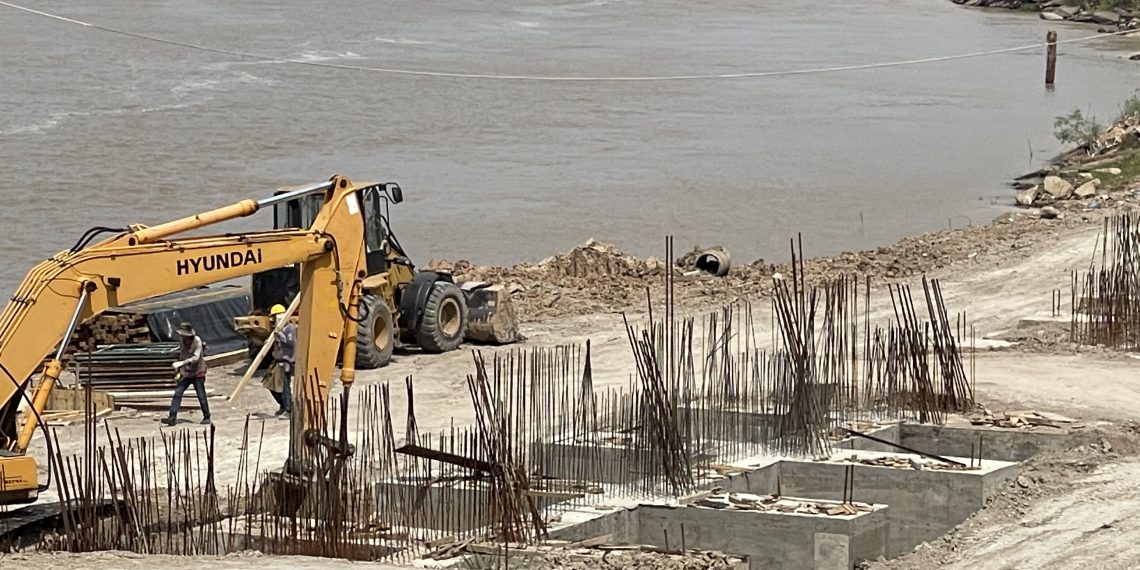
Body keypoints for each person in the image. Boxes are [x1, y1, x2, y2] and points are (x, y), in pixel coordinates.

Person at [161, 322, 211, 426]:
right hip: (186, 373)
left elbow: (196, 358)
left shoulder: (197, 341)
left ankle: (207, 416)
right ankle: (172, 417)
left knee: (201, 395)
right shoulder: (182, 341)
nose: (183, 337)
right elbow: (182, 353)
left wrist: (181, 363)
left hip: (198, 372)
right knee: (177, 394)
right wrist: (179, 368)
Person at [263, 303, 295, 417]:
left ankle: (289, 409)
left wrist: (280, 335)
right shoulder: (275, 330)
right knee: (269, 383)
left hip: (286, 361)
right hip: (276, 361)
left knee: (285, 386)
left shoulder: (289, 328)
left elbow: (291, 343)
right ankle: (282, 404)